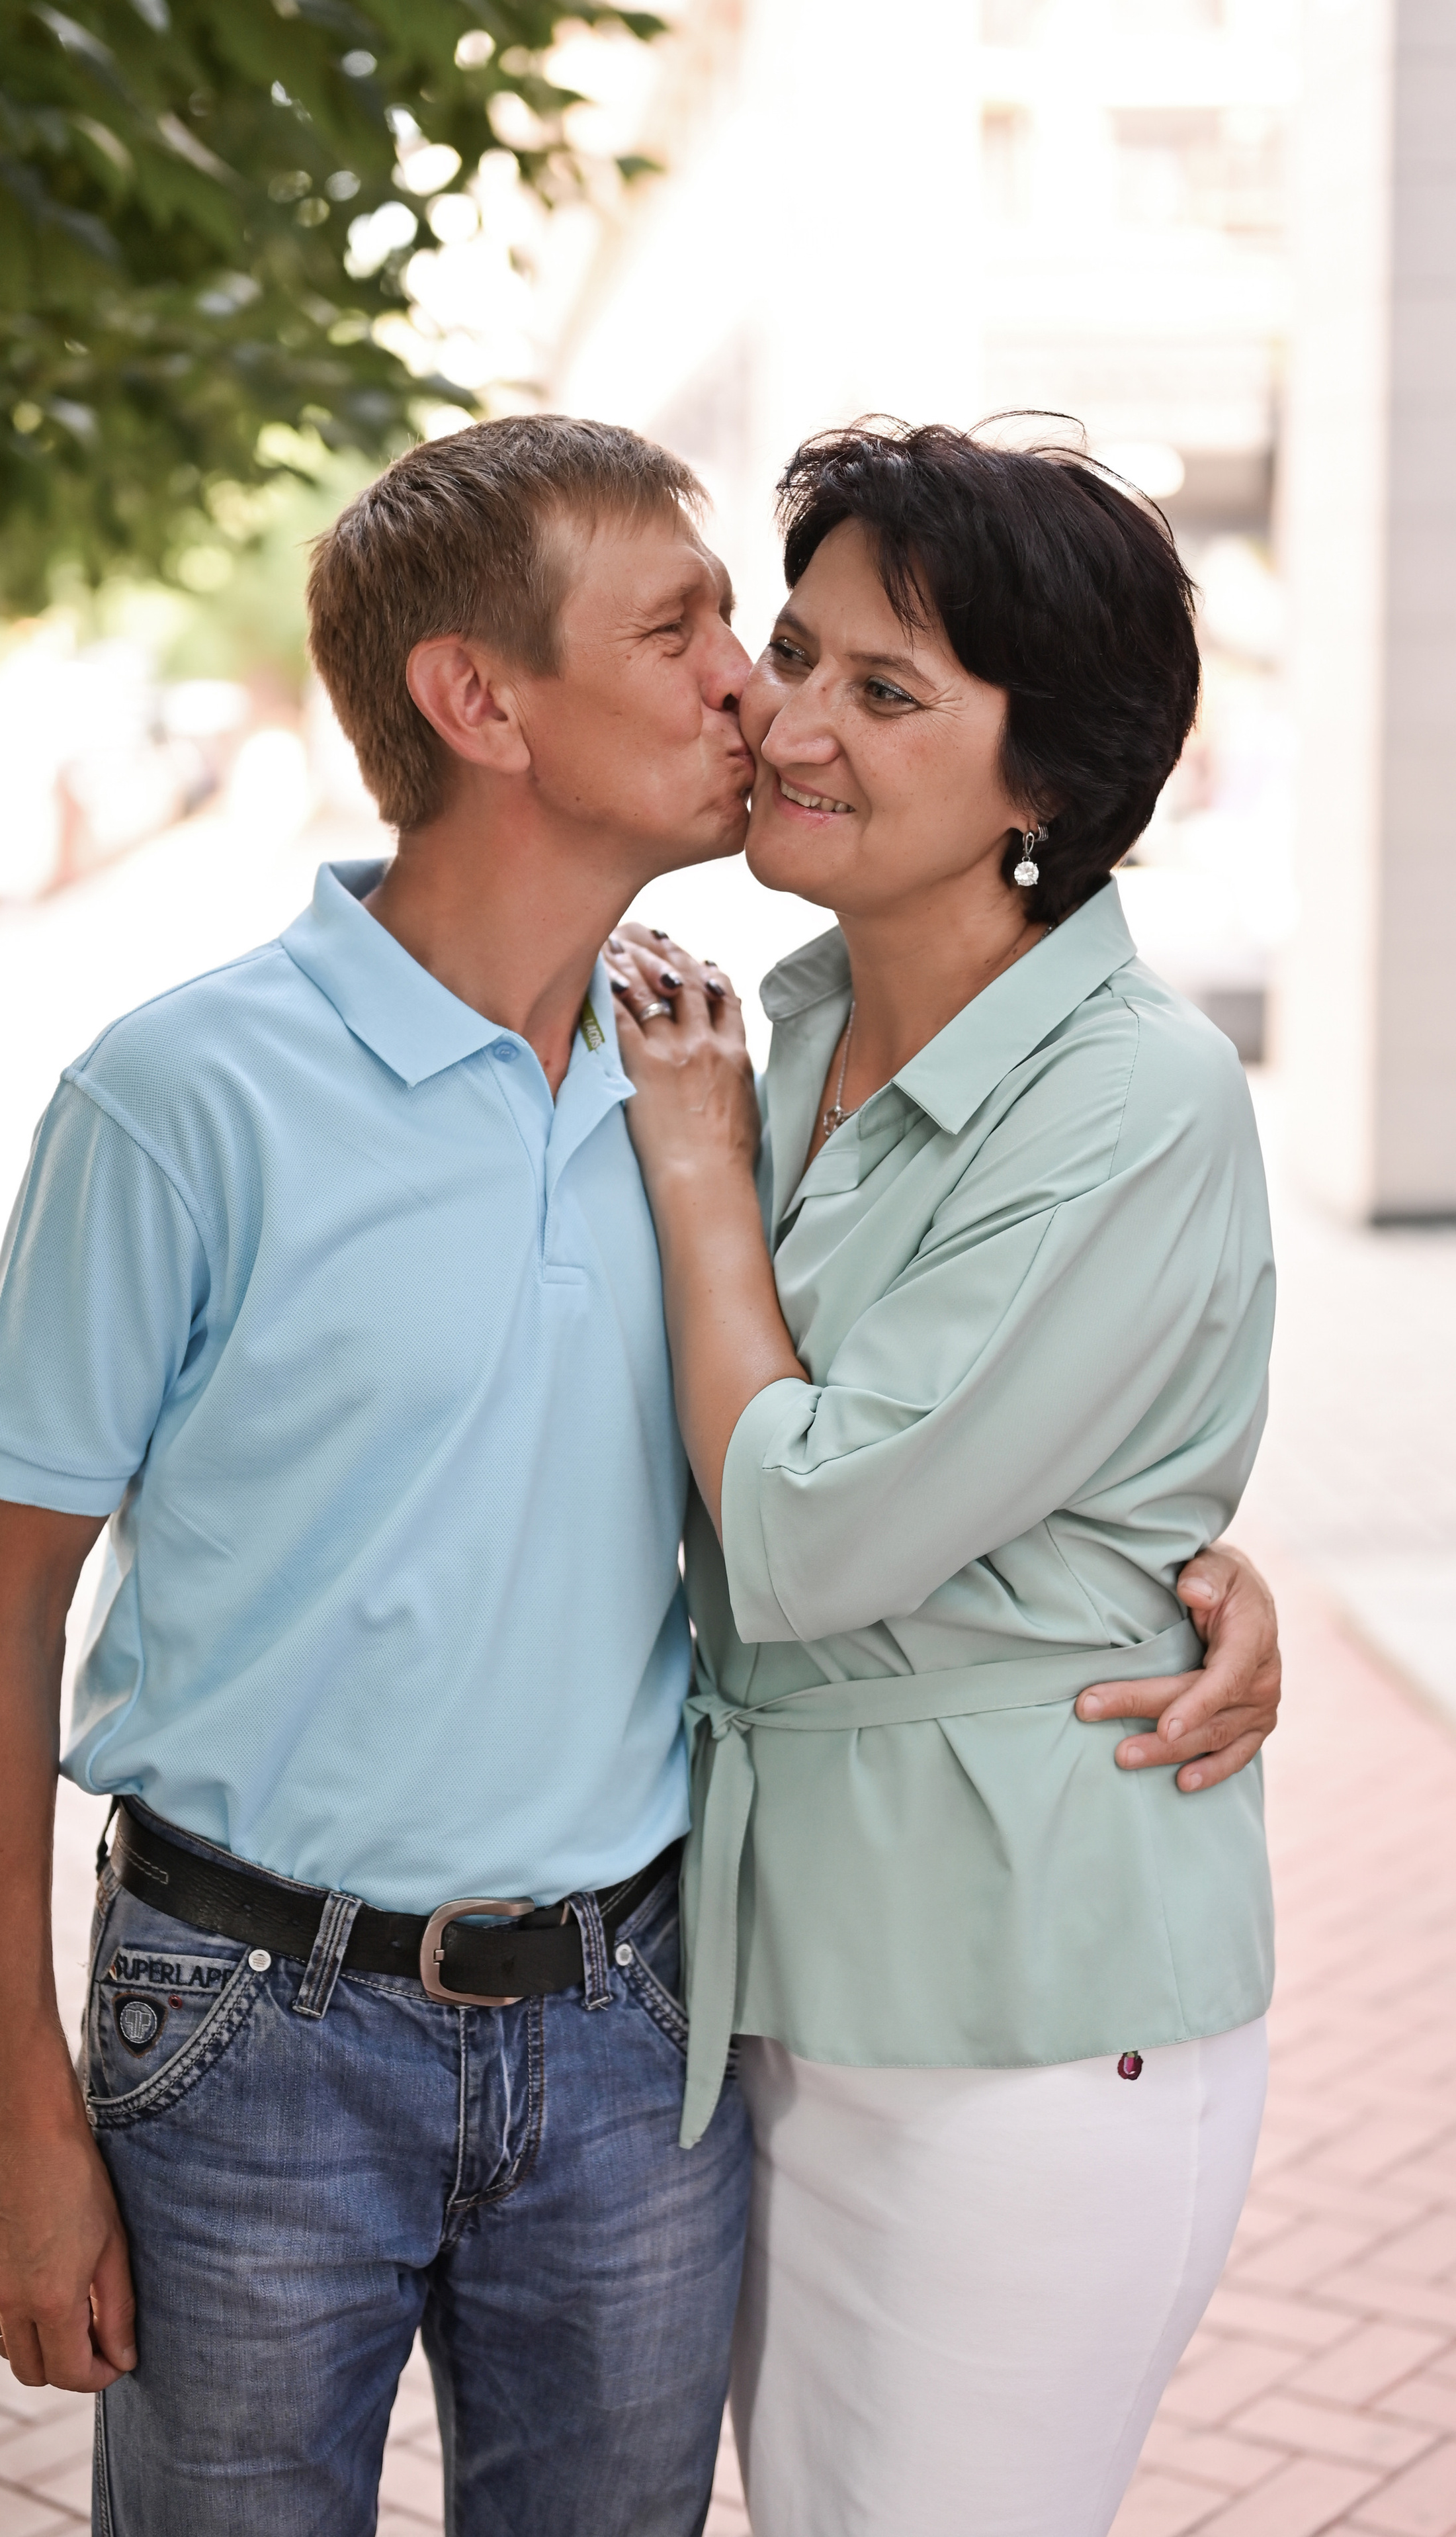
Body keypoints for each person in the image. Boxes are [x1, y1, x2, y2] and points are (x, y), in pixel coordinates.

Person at [0, 415, 1281, 2537]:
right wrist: (17, 2101)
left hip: (643, 2030)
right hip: (259, 2026)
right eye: (702, 633)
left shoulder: (708, 1080)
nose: (760, 691)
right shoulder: (218, 1091)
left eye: (798, 649)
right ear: (482, 704)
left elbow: (909, 1436)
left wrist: (1173, 1569)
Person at [606, 418, 1279, 2537]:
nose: (790, 722)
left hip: (1026, 2017)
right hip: (765, 1984)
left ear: (1048, 786)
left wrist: (702, 1184)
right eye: (795, 654)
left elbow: (800, 1526)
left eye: (886, 692)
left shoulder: (1135, 1099)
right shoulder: (765, 1026)